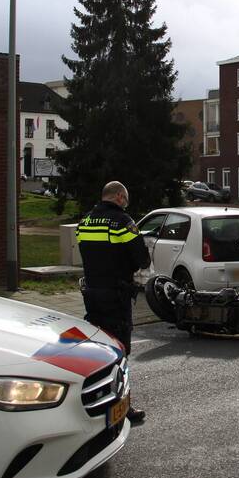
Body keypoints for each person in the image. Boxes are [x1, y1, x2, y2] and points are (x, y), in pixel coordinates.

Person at [77, 181, 150, 424]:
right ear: (119, 197)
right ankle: (122, 406)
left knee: (97, 349)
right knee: (120, 352)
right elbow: (142, 258)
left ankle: (96, 402)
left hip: (92, 295)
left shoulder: (85, 221)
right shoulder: (122, 222)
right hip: (116, 296)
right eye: (125, 200)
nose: (125, 204)